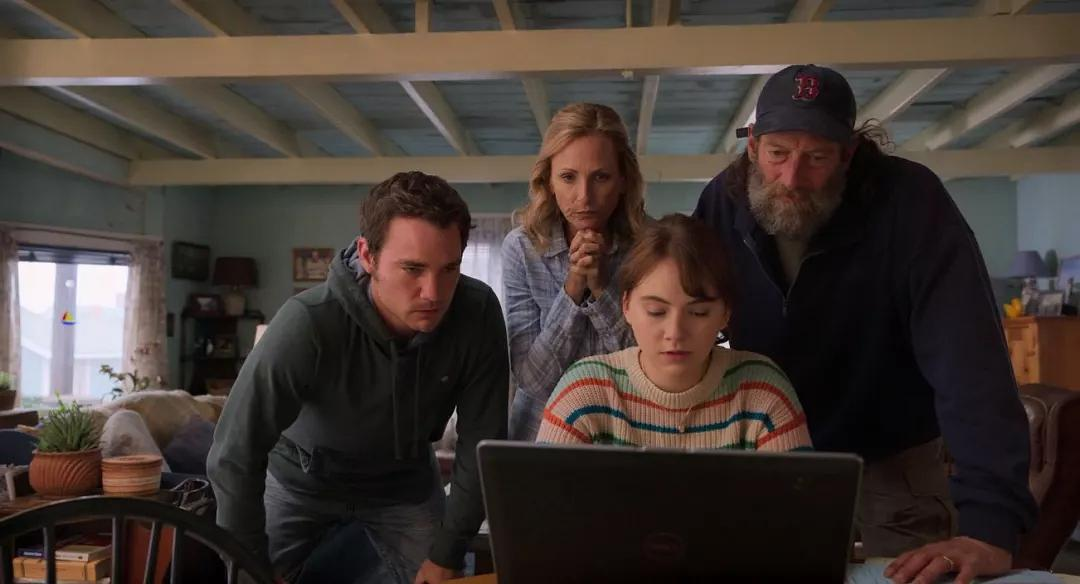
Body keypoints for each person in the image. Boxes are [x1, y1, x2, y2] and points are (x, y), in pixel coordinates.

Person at [692, 64, 1036, 584]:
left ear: (849, 154)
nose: (792, 178)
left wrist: (990, 528)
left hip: (893, 462)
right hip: (773, 459)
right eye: (778, 153)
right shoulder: (722, 202)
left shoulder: (913, 204)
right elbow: (690, 321)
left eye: (816, 157)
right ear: (753, 145)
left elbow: (969, 361)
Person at [207, 172, 509, 584]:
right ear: (368, 255)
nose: (434, 293)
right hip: (300, 481)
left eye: (449, 268)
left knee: (452, 578)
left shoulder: (477, 312)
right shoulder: (307, 322)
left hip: (405, 483)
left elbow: (481, 440)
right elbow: (234, 451)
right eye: (413, 269)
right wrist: (250, 567)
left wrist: (448, 550)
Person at [537, 214, 811, 452]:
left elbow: (797, 497)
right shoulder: (583, 392)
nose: (675, 333)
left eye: (698, 313)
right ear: (626, 306)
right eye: (656, 311)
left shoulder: (763, 392)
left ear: (726, 313)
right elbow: (540, 495)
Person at [503, 102, 649, 441]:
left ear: (623, 180)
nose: (584, 197)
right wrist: (573, 287)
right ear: (548, 181)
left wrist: (601, 290)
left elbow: (649, 369)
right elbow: (531, 380)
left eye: (601, 177)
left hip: (624, 437)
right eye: (568, 177)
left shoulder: (649, 245)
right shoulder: (522, 248)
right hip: (538, 439)